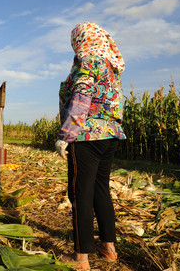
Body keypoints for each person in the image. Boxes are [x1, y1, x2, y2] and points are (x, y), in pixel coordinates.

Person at [55, 21, 126, 270]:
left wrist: (66, 135)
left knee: (80, 194)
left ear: (80, 40)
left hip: (86, 136)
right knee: (100, 190)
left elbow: (82, 98)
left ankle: (81, 257)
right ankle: (108, 247)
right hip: (111, 135)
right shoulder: (110, 65)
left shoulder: (87, 62)